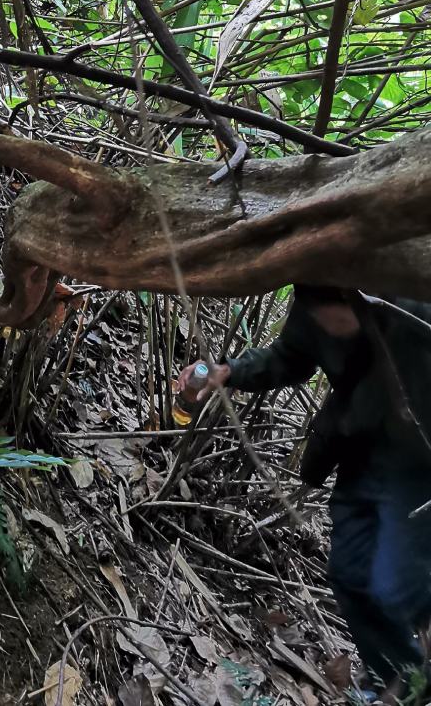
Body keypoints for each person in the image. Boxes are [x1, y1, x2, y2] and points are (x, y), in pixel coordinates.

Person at [177, 285, 431, 704]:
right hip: (360, 456)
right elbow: (289, 359)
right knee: (349, 573)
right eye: (321, 318)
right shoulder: (311, 310)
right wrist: (229, 371)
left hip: (418, 467)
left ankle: (412, 681)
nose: (330, 327)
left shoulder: (413, 311)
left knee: (395, 580)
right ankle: (394, 678)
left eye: (339, 318)